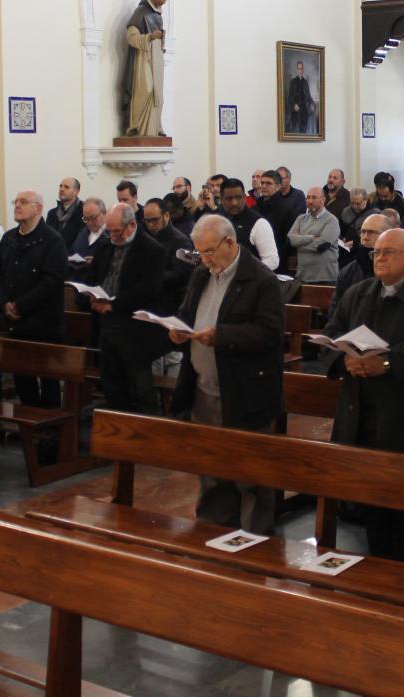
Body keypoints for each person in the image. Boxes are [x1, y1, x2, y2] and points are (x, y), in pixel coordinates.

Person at [323, 228, 404, 564]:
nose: (379, 258)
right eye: (376, 252)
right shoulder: (359, 293)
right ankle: (379, 571)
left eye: (388, 252)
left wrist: (387, 362)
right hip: (362, 413)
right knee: (374, 505)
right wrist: (345, 360)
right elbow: (333, 332)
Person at [169, 215, 285, 533]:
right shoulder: (201, 275)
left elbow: (270, 333)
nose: (204, 260)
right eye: (199, 253)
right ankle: (214, 533)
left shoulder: (261, 280)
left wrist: (221, 336)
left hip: (245, 391)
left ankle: (255, 542)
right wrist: (179, 330)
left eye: (208, 252)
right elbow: (187, 313)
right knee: (211, 469)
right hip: (203, 389)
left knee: (250, 473)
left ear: (230, 243)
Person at [82, 204, 172, 415]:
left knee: (141, 389)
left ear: (131, 225)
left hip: (136, 330)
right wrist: (91, 296)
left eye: (116, 231)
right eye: (109, 231)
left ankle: (147, 431)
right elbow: (93, 277)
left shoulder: (152, 249)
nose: (113, 236)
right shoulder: (106, 245)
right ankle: (120, 430)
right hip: (107, 326)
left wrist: (113, 304)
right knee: (112, 386)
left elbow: (148, 289)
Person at [0, 190, 69, 409]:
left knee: (49, 382)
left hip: (43, 325)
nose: (17, 205)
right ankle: (29, 424)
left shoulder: (53, 240)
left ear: (38, 208)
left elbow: (52, 281)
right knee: (22, 382)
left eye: (24, 202)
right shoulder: (9, 238)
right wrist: (3, 303)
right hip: (15, 324)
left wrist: (20, 305)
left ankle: (52, 425)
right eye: (15, 201)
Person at [119, 0, 168, 136]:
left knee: (158, 93)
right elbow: (131, 37)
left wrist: (161, 42)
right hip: (143, 56)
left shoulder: (158, 15)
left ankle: (156, 127)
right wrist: (150, 37)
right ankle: (135, 126)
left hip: (157, 56)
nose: (163, 2)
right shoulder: (140, 12)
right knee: (146, 89)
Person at [331, 212, 390, 317]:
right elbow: (336, 312)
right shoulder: (348, 272)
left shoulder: (396, 268)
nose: (365, 237)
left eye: (372, 232)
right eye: (363, 232)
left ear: (387, 235)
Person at [142, 197, 195, 314]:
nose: (150, 225)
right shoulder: (147, 237)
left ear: (166, 215)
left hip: (171, 304)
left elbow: (183, 274)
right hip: (151, 302)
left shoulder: (182, 241)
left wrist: (151, 276)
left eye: (155, 220)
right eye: (147, 221)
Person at [218, 178, 279, 270]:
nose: (234, 203)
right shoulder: (218, 221)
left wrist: (247, 272)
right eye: (229, 199)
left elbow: (272, 260)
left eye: (238, 198)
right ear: (222, 200)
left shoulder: (259, 223)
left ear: (244, 197)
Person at [288, 186, 340, 283]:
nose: (310, 201)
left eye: (314, 197)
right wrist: (310, 238)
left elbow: (322, 246)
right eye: (308, 197)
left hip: (325, 278)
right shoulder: (301, 219)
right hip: (302, 276)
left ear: (323, 200)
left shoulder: (331, 220)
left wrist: (299, 244)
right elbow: (290, 240)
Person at [69, 197, 109, 268]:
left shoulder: (111, 235)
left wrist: (97, 261)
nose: (90, 223)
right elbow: (72, 253)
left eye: (93, 218)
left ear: (104, 213)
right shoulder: (82, 233)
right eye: (86, 219)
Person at [47, 178, 85, 250]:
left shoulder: (84, 212)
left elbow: (83, 239)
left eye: (66, 187)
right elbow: (47, 238)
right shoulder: (52, 213)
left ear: (76, 192)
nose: (61, 189)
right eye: (60, 186)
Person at [285, 61, 315, 135]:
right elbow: (290, 98)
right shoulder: (293, 82)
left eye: (301, 69)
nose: (300, 71)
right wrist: (294, 104)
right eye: (299, 69)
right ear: (297, 70)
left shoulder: (305, 82)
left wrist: (312, 103)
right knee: (296, 134)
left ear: (303, 69)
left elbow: (309, 96)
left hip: (304, 112)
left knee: (303, 133)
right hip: (296, 113)